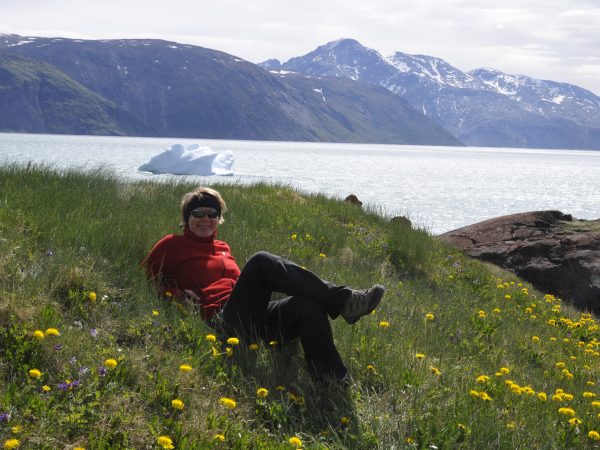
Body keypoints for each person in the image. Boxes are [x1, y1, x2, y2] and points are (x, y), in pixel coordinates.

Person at [142, 187, 385, 383]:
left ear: (219, 218)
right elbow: (145, 278)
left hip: (254, 318)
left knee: (307, 305)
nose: (205, 219)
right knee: (260, 261)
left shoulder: (224, 248)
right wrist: (175, 296)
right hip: (221, 322)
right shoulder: (171, 245)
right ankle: (344, 300)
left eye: (212, 213)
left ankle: (331, 378)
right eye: (198, 213)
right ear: (186, 218)